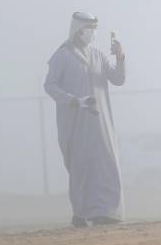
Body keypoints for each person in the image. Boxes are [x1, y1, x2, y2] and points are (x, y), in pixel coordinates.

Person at [44, 12, 127, 227]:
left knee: (107, 164)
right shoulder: (62, 55)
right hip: (75, 122)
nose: (93, 34)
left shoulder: (98, 55)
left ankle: (107, 211)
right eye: (89, 30)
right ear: (78, 31)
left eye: (95, 30)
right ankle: (81, 213)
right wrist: (74, 101)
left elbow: (118, 79)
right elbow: (50, 85)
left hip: (101, 123)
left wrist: (120, 57)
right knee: (81, 167)